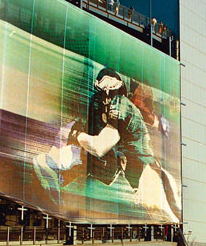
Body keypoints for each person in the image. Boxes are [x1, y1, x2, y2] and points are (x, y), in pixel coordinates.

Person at [33, 68, 180, 221]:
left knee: (165, 215)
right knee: (44, 162)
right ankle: (59, 205)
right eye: (103, 91)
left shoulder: (122, 105)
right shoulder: (97, 103)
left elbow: (100, 147)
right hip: (114, 162)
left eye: (111, 91)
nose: (107, 97)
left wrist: (76, 135)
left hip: (140, 168)